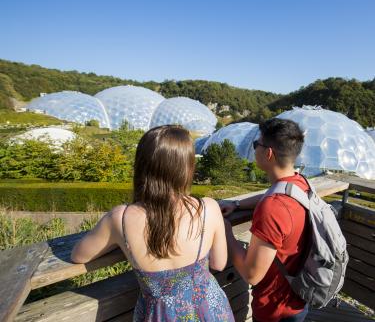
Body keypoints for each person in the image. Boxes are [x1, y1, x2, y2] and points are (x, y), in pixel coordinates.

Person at [71, 125, 235, 322]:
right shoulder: (208, 208)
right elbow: (218, 263)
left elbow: (79, 255)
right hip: (210, 310)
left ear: (141, 165)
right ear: (187, 167)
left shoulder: (120, 218)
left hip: (159, 315)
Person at [220, 118, 309, 322]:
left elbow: (252, 275)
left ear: (268, 153)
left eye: (256, 145)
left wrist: (226, 233)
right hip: (299, 298)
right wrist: (238, 205)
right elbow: (272, 194)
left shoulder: (273, 208)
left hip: (276, 311)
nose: (254, 149)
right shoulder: (300, 184)